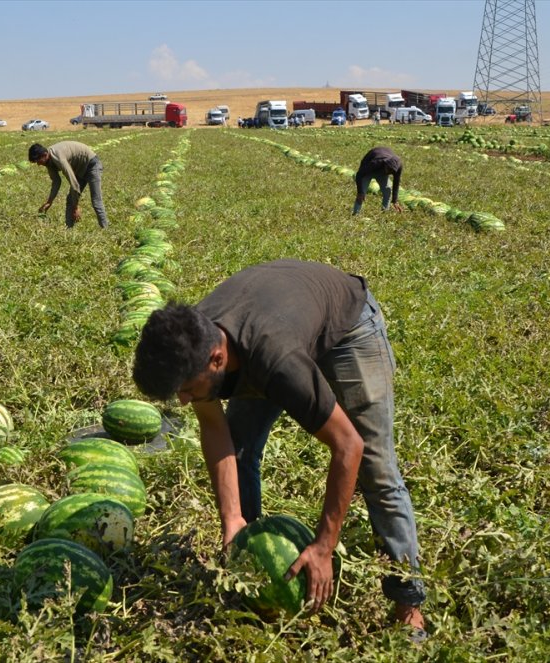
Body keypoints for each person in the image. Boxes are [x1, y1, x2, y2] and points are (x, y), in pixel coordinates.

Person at [133, 259, 427, 637]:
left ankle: (409, 603)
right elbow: (214, 427)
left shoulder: (274, 359)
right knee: (240, 451)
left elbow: (347, 446)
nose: (185, 401)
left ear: (217, 359)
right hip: (280, 323)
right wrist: (232, 519)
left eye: (188, 390)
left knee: (375, 467)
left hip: (349, 329)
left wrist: (324, 545)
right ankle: (255, 567)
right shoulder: (193, 345)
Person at [28, 141, 109, 229]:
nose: (38, 164)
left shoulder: (58, 158)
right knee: (70, 200)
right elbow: (56, 182)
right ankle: (69, 230)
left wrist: (76, 208)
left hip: (92, 165)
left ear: (44, 154)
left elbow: (74, 185)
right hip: (80, 169)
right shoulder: (48, 162)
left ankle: (105, 229)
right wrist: (49, 201)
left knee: (96, 201)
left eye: (38, 161)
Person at [353, 147, 404, 215]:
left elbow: (396, 182)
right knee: (362, 193)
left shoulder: (398, 166)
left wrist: (395, 201)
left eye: (390, 172)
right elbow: (359, 174)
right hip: (368, 170)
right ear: (386, 164)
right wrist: (360, 192)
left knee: (387, 191)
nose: (388, 172)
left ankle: (384, 212)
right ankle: (356, 213)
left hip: (380, 170)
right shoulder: (375, 163)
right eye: (388, 169)